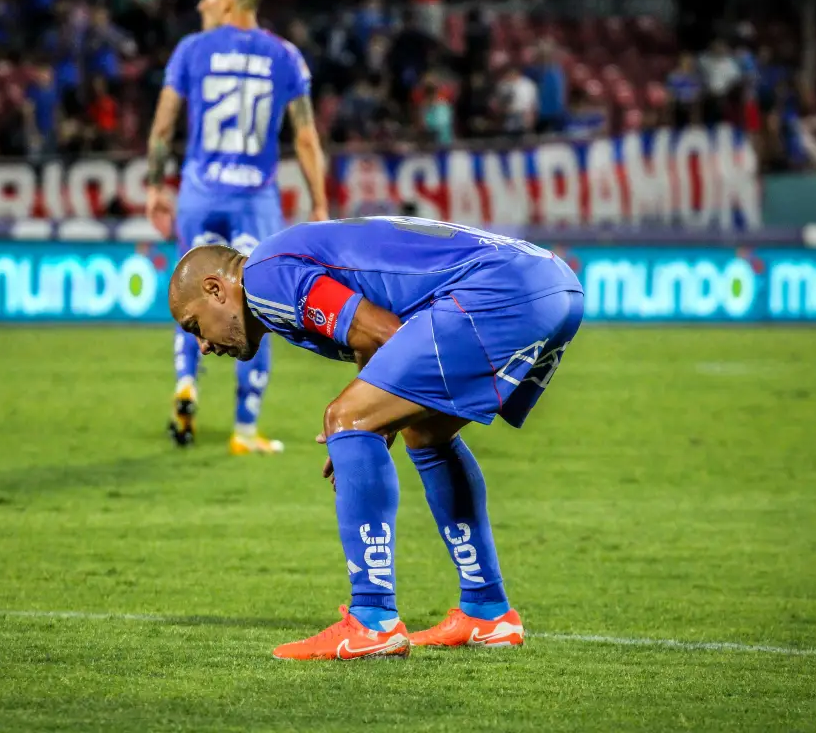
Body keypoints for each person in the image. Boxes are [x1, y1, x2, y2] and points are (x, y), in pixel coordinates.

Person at [166, 217, 585, 659]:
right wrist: (373, 424)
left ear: (216, 289)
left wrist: (360, 428)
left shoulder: (265, 276)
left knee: (344, 418)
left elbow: (381, 333)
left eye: (195, 327)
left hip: (502, 289)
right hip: (550, 282)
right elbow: (377, 340)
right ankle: (487, 610)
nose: (204, 347)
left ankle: (373, 620)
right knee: (425, 432)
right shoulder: (277, 276)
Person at [145, 0, 329, 455]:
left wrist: (154, 186)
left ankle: (187, 381)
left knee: (194, 293)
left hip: (199, 193)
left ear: (229, 0)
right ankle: (245, 430)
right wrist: (320, 203)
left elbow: (163, 127)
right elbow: (306, 138)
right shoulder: (285, 56)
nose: (201, 4)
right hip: (256, 197)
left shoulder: (191, 50)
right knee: (255, 302)